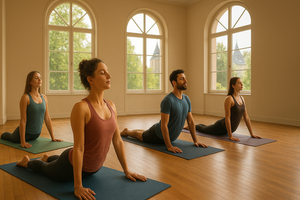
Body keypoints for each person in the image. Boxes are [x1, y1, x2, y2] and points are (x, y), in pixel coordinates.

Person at [16, 58, 147, 200]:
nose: (109, 76)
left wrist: (126, 170)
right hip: (69, 166)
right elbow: (78, 148)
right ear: (90, 79)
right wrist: (78, 186)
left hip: (93, 168)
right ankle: (26, 162)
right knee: (43, 169)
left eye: (107, 72)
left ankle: (49, 158)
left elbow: (118, 141)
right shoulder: (81, 108)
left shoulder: (111, 106)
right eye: (103, 73)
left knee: (56, 160)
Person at [121, 69, 207, 153]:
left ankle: (139, 131)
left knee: (145, 132)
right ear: (174, 83)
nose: (185, 80)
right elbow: (164, 125)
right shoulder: (168, 100)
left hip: (165, 135)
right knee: (139, 136)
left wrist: (195, 141)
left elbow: (191, 122)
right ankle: (126, 132)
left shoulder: (187, 99)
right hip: (158, 136)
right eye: (182, 79)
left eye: (185, 78)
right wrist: (169, 146)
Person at [184, 77, 261, 141]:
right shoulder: (229, 99)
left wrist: (252, 134)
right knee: (203, 129)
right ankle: (190, 127)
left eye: (241, 83)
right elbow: (227, 118)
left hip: (228, 128)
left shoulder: (242, 98)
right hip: (220, 127)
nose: (242, 84)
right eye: (239, 83)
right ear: (233, 86)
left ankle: (197, 125)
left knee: (206, 127)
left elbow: (246, 117)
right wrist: (230, 136)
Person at [1, 71, 62, 148]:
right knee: (8, 136)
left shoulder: (44, 97)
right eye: (36, 78)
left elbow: (47, 118)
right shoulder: (25, 97)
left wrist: (53, 137)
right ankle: (4, 134)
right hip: (21, 135)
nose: (39, 80)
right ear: (30, 82)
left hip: (36, 135)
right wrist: (22, 141)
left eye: (40, 78)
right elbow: (23, 120)